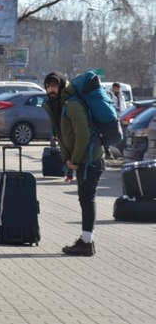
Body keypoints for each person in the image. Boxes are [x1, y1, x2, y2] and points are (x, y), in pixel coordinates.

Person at [42, 71, 104, 256]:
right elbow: (61, 135)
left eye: (54, 85)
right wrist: (67, 161)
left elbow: (83, 134)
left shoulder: (73, 104)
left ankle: (86, 242)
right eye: (48, 86)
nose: (50, 89)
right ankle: (86, 240)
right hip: (81, 160)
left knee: (87, 198)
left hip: (91, 159)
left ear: (61, 86)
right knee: (85, 198)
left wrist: (75, 160)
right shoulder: (55, 105)